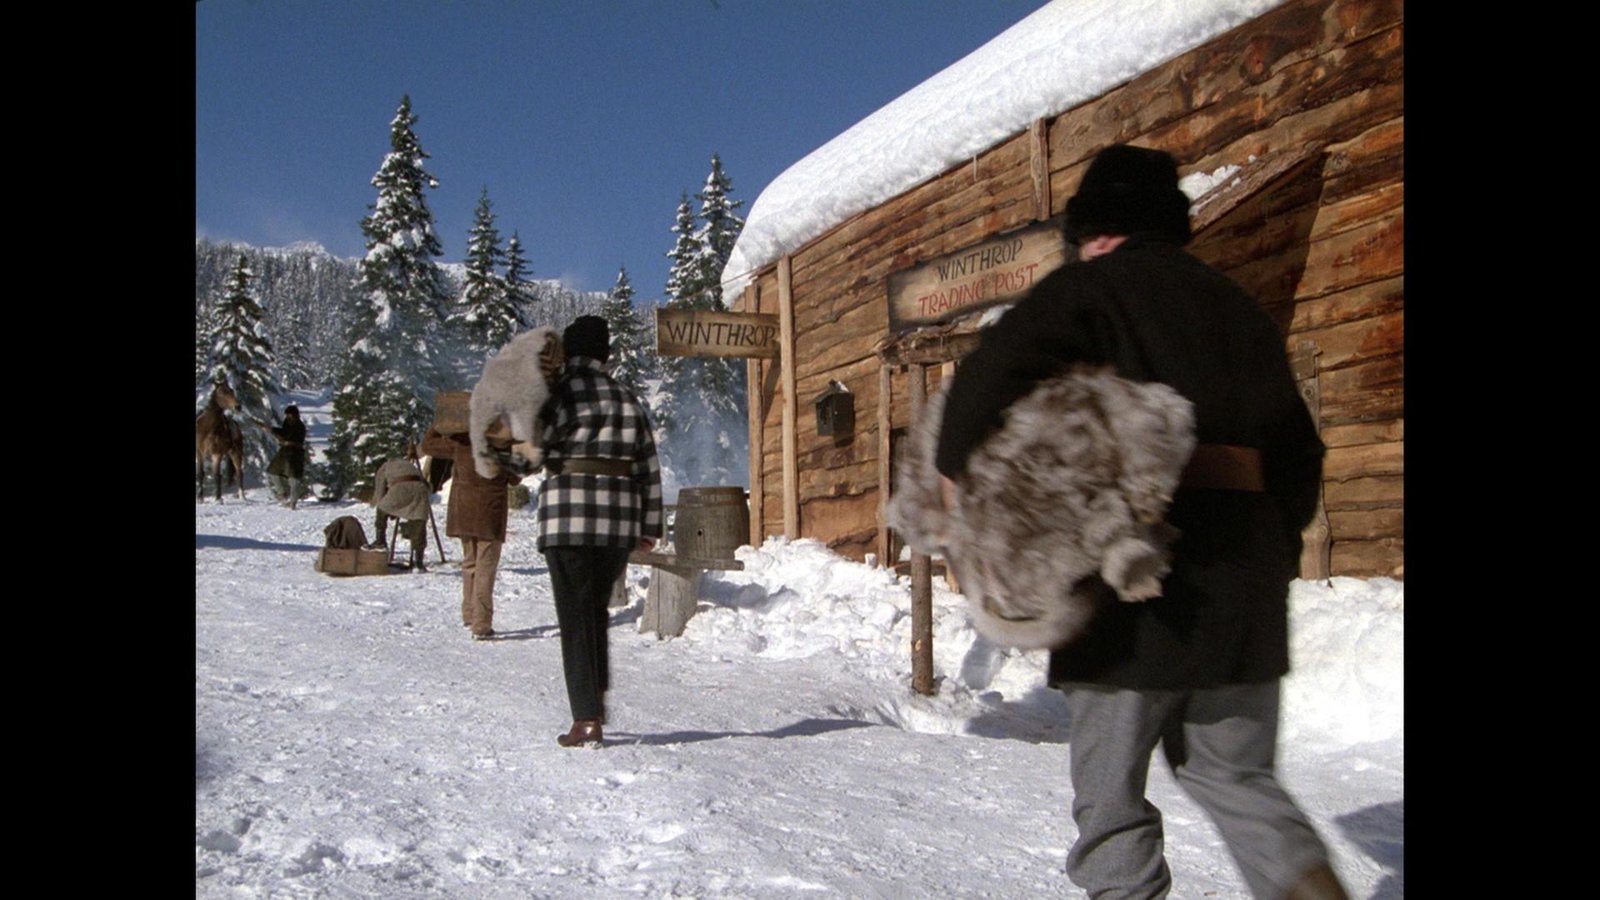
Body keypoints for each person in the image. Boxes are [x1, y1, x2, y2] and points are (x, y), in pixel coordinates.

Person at [934, 145, 1344, 899]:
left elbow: (979, 391)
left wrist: (976, 499)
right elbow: (1300, 454)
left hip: (1128, 576)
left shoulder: (1087, 291)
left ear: (1097, 231)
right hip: (1242, 586)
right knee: (1239, 776)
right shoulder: (1240, 309)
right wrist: (1268, 559)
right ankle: (1307, 885)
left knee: (1112, 801)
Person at [537, 315, 663, 748]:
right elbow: (648, 464)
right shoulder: (628, 398)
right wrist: (648, 527)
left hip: (568, 517)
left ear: (569, 353)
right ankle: (597, 691)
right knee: (595, 610)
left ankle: (586, 717)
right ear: (606, 355)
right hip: (617, 522)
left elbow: (531, 450)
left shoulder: (557, 395)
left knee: (575, 615)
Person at [421, 426, 516, 640]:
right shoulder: (502, 446)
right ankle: (481, 623)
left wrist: (437, 426)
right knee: (485, 566)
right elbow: (517, 477)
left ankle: (469, 613)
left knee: (470, 562)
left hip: (464, 509)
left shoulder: (461, 442)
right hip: (490, 512)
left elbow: (428, 446)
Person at [369, 443, 432, 572]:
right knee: (418, 523)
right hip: (421, 489)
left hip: (401, 487)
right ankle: (418, 562)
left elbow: (380, 493)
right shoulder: (409, 465)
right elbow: (427, 486)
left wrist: (387, 508)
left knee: (381, 509)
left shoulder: (384, 467)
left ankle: (380, 541)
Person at [264, 405, 307, 509]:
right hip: (285, 451)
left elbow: (287, 435)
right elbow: (284, 433)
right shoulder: (287, 423)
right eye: (287, 415)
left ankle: (293, 502)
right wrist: (272, 430)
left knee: (294, 478)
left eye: (290, 415)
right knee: (273, 471)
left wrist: (272, 430)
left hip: (295, 452)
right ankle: (281, 493)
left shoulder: (299, 426)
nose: (288, 417)